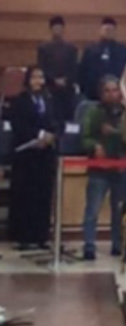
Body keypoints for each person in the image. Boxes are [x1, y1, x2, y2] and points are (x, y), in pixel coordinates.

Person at [7, 66, 60, 250]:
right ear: (28, 80)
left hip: (44, 156)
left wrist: (51, 136)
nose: (38, 81)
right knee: (25, 196)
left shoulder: (49, 99)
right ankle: (23, 236)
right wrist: (39, 135)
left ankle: (41, 235)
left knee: (42, 195)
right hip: (26, 156)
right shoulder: (20, 101)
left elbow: (55, 121)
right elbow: (18, 124)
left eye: (41, 77)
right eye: (34, 77)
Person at [80, 75, 126, 260]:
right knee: (92, 210)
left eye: (114, 90)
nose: (111, 94)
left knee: (118, 210)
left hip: (120, 168)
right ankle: (89, 245)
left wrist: (114, 133)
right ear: (101, 94)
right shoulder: (93, 112)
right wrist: (95, 146)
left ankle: (118, 244)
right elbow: (84, 138)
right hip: (98, 169)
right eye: (107, 91)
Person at [78, 17, 126, 100]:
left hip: (117, 93)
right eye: (106, 30)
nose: (108, 32)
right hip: (93, 94)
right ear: (100, 31)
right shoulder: (90, 50)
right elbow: (83, 71)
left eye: (111, 30)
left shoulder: (124, 50)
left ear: (115, 32)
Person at [37, 16, 78, 121]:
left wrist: (66, 79)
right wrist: (54, 80)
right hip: (50, 88)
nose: (58, 30)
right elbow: (42, 67)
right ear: (51, 30)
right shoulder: (43, 48)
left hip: (67, 89)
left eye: (60, 28)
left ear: (63, 29)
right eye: (55, 28)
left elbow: (74, 67)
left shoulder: (71, 48)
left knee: (67, 117)